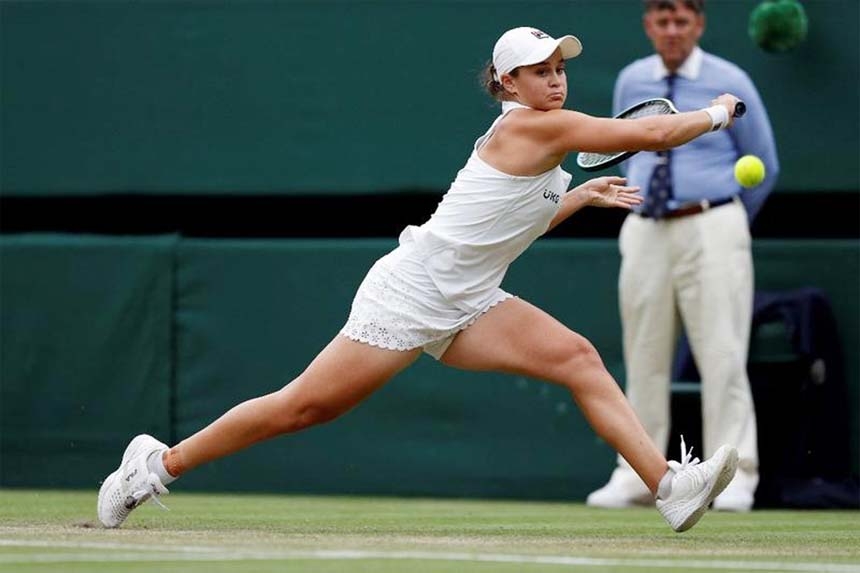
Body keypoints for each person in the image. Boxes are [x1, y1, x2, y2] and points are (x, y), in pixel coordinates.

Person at [98, 25, 744, 533]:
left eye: (560, 70)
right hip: (413, 291)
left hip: (468, 298)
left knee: (577, 357)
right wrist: (716, 113)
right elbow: (654, 130)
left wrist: (578, 197)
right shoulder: (535, 127)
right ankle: (155, 463)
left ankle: (665, 486)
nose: (555, 81)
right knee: (306, 406)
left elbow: (508, 232)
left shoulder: (542, 143)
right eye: (539, 72)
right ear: (507, 82)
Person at [586, 0, 779, 513]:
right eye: (662, 20)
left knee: (722, 353)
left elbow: (766, 162)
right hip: (646, 229)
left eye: (682, 20)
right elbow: (624, 148)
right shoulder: (630, 81)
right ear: (649, 26)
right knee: (644, 355)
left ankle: (737, 478)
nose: (672, 30)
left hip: (713, 223)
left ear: (699, 25)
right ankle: (637, 474)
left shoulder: (730, 78)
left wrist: (722, 216)